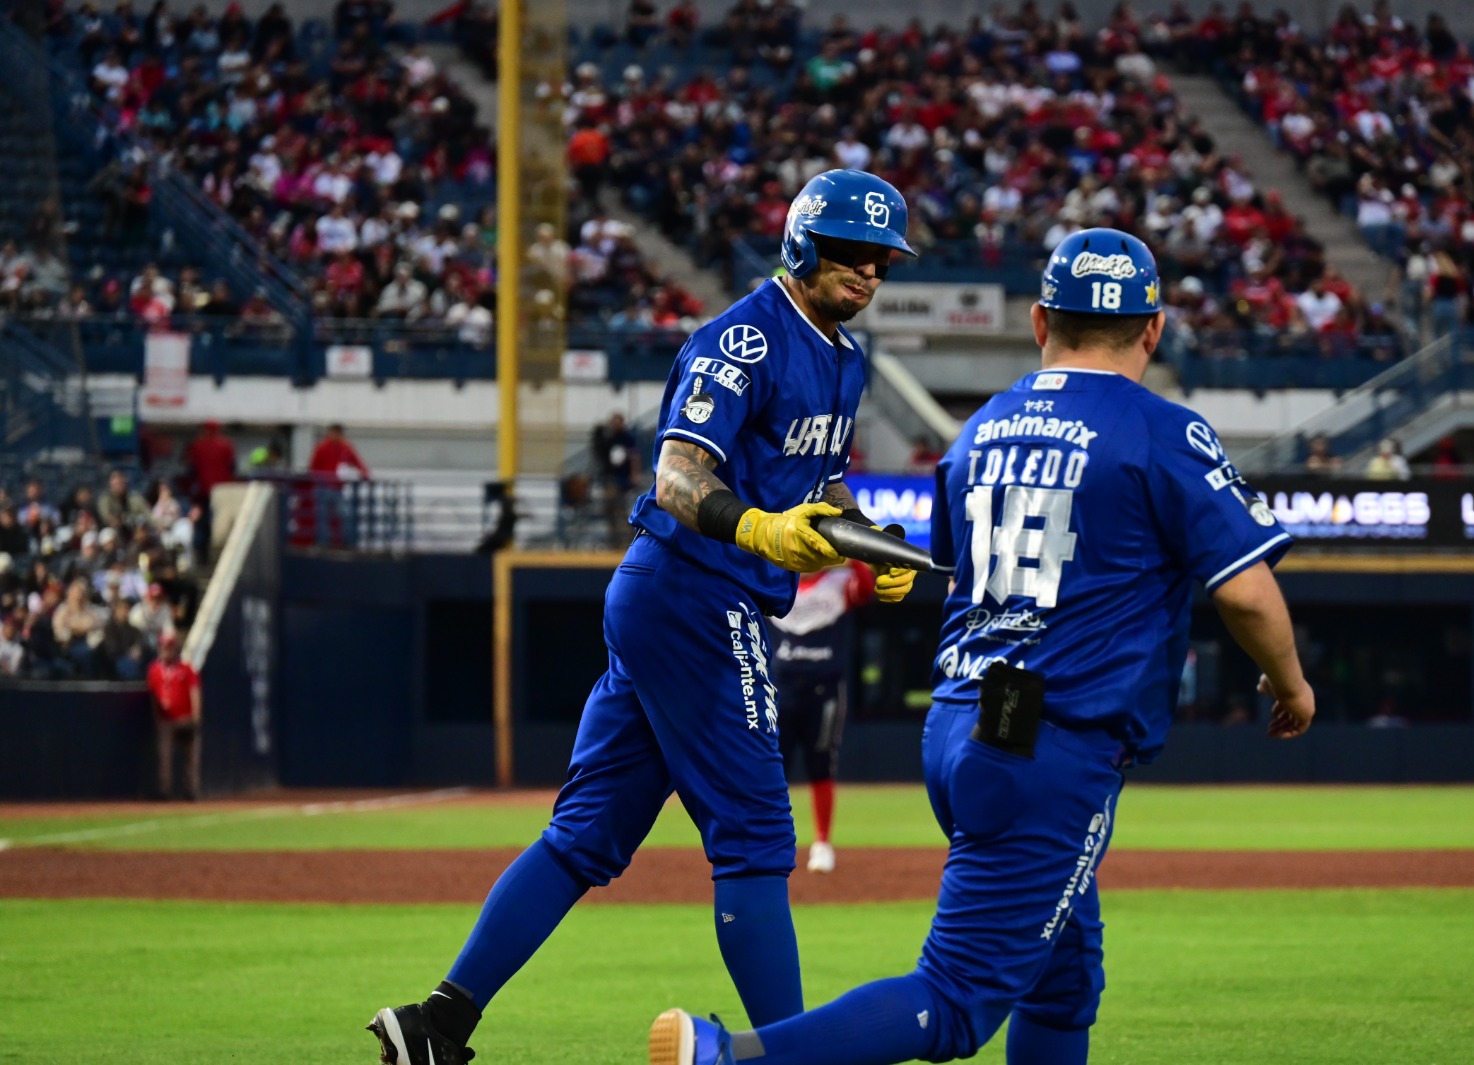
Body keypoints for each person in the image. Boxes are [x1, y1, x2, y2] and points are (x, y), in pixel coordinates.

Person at [648, 228, 1315, 1065]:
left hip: (966, 722)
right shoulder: (1162, 431)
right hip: (1052, 742)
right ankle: (729, 1055)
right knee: (956, 1004)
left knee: (1065, 979)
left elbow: (960, 572)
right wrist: (1291, 686)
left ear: (1040, 321)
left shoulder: (981, 429)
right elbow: (1247, 589)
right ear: (1153, 329)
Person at [366, 169, 921, 1065]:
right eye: (853, 254)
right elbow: (676, 476)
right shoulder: (742, 339)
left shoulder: (849, 360)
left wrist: (870, 541)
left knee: (586, 835)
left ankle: (438, 1021)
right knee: (755, 837)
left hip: (691, 597)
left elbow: (820, 486)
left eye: (882, 260)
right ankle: (792, 1056)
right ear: (804, 246)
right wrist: (756, 528)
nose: (868, 273)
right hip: (695, 592)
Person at [768, 559, 876, 874]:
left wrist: (851, 556)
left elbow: (865, 590)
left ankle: (822, 843)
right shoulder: (775, 580)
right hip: (780, 688)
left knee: (821, 764)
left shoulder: (839, 581)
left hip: (824, 688)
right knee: (773, 768)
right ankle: (773, 839)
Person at [147, 631, 201, 800]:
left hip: (185, 719)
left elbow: (195, 691)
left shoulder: (185, 669)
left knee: (191, 757)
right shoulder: (154, 670)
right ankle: (165, 792)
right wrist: (157, 718)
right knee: (164, 756)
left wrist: (196, 716)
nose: (166, 651)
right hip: (166, 721)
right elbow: (152, 697)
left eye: (169, 647)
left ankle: (190, 791)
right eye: (163, 647)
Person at [184, 420, 236, 565]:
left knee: (201, 526)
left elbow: (190, 468)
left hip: (203, 494)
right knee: (219, 527)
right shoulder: (226, 444)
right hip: (222, 493)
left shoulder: (197, 445)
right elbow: (232, 467)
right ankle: (216, 560)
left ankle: (202, 560)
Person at [592, 412, 644, 549]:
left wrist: (634, 474)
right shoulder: (610, 439)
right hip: (610, 478)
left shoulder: (627, 438)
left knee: (619, 511)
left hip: (621, 480)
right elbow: (600, 453)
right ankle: (614, 541)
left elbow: (634, 457)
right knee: (609, 511)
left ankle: (624, 541)